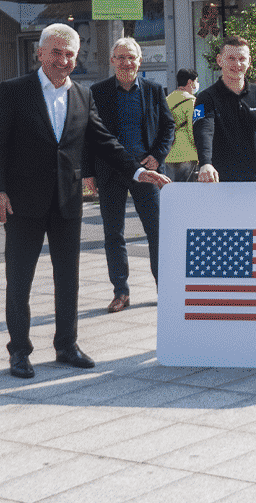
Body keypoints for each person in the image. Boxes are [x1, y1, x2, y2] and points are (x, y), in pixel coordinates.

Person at [0, 24, 170, 379]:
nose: (63, 60)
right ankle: (19, 351)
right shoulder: (14, 92)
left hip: (67, 201)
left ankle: (66, 345)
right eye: (56, 52)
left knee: (68, 279)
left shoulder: (82, 96)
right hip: (22, 202)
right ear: (40, 53)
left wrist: (136, 172)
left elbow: (104, 142)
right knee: (19, 279)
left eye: (70, 54)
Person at [85, 37, 175, 314]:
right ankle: (120, 292)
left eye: (131, 57)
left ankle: (165, 288)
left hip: (147, 173)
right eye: (121, 57)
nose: (127, 63)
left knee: (157, 232)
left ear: (140, 60)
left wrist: (158, 156)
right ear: (112, 61)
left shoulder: (154, 90)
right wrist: (88, 172)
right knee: (114, 233)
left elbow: (168, 127)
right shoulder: (96, 92)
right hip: (109, 172)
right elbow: (88, 134)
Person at [194, 36, 256, 182]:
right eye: (231, 58)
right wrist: (205, 163)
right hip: (222, 183)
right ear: (219, 60)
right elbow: (204, 131)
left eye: (242, 58)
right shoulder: (206, 98)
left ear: (249, 62)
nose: (237, 64)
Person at [166, 69, 200, 182]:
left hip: (169, 154)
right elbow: (194, 129)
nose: (197, 84)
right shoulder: (193, 101)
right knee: (187, 192)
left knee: (172, 190)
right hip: (188, 154)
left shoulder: (166, 100)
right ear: (190, 82)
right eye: (196, 81)